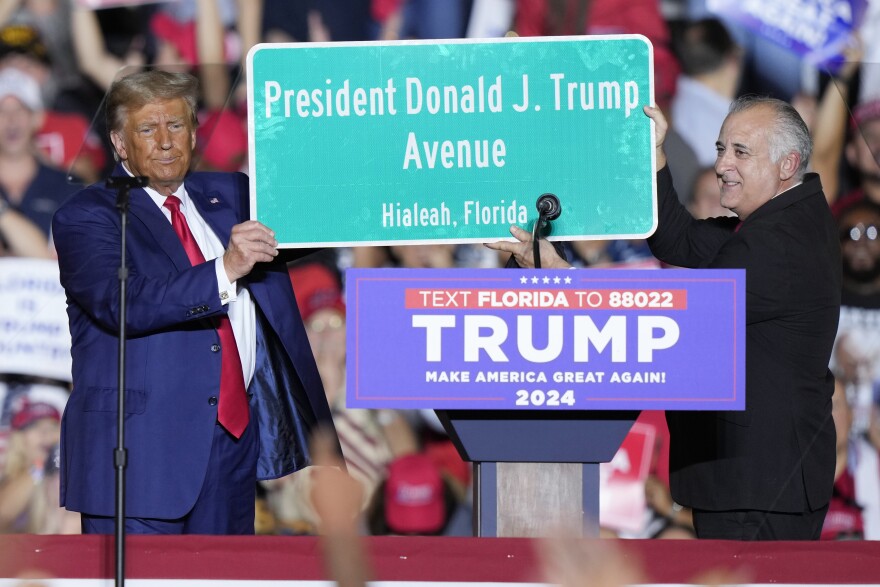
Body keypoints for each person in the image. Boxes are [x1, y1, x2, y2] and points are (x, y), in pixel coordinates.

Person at [488, 96, 841, 540]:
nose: (721, 164)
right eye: (720, 148)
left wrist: (560, 274)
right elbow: (677, 238)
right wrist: (653, 152)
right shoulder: (776, 223)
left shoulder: (780, 242)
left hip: (761, 486)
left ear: (788, 163)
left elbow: (672, 319)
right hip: (755, 480)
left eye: (740, 152)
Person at [51, 68, 338, 535]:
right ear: (120, 143)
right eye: (148, 128)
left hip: (230, 449)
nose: (165, 141)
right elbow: (124, 303)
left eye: (177, 125)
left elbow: (331, 210)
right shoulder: (87, 216)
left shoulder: (232, 195)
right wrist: (226, 268)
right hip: (140, 459)